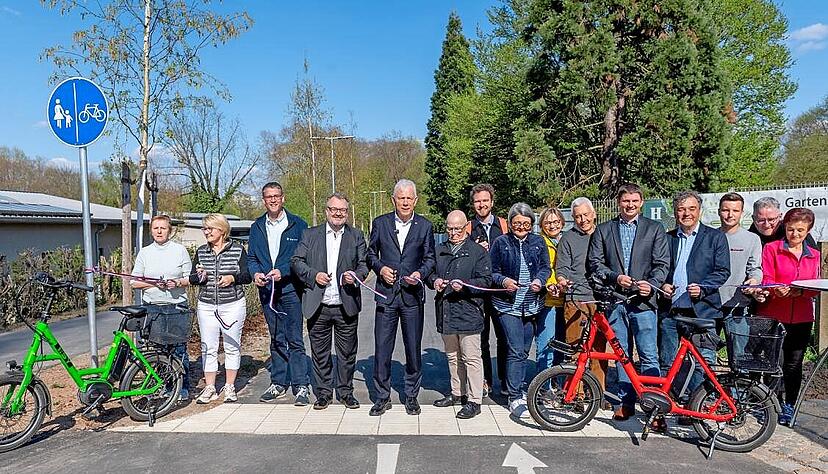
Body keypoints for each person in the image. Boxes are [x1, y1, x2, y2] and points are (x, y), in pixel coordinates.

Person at [587, 184, 670, 421]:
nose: (630, 205)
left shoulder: (655, 229)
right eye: (626, 201)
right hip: (616, 300)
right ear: (618, 202)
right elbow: (595, 263)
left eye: (634, 201)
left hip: (644, 302)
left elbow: (662, 263)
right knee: (622, 355)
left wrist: (651, 284)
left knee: (648, 354)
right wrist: (615, 277)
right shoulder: (604, 230)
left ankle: (654, 408)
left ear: (641, 202)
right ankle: (626, 401)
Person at [658, 191, 730, 429]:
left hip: (702, 312)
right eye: (681, 209)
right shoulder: (667, 238)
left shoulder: (715, 237)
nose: (686, 214)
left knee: (702, 362)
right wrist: (663, 284)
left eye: (691, 209)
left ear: (699, 210)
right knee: (668, 361)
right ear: (675, 212)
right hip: (671, 311)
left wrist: (704, 288)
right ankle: (667, 406)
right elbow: (658, 267)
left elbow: (722, 271)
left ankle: (694, 409)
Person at [290, 193, 368, 410]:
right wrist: (313, 275)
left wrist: (355, 276)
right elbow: (296, 261)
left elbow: (364, 264)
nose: (338, 213)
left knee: (347, 354)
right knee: (320, 353)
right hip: (319, 305)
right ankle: (323, 393)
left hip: (346, 304)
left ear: (347, 213)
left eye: (342, 210)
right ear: (326, 211)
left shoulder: (356, 235)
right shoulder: (310, 235)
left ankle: (345, 392)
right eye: (334, 209)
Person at [367, 179, 436, 416]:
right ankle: (382, 397)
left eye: (409, 198)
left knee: (413, 349)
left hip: (412, 297)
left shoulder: (425, 226)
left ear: (415, 200)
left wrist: (420, 274)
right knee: (382, 348)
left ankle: (412, 396)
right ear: (393, 200)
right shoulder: (380, 223)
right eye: (401, 198)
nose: (405, 202)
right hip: (385, 296)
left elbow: (430, 258)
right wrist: (380, 269)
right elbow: (370, 254)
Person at [248, 182, 311, 406]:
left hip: (291, 289)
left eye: (276, 196)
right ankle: (278, 383)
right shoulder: (256, 227)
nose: (273, 200)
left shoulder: (298, 224)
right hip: (267, 291)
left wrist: (283, 271)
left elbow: (302, 258)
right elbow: (252, 258)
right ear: (264, 200)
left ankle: (301, 385)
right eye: (269, 197)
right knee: (276, 338)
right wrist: (255, 274)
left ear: (283, 198)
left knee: (295, 338)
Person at [756, 208, 821, 426]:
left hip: (802, 317)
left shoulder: (814, 255)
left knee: (794, 364)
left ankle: (790, 404)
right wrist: (776, 289)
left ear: (808, 230)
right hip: (774, 315)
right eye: (791, 229)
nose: (795, 234)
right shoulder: (772, 248)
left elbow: (816, 286)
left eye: (800, 230)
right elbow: (766, 277)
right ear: (785, 227)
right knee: (774, 363)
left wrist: (801, 292)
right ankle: (770, 404)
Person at [428, 210, 492, 419]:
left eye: (457, 229)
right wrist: (434, 281)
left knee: (471, 357)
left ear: (466, 228)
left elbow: (486, 280)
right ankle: (457, 393)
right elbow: (430, 273)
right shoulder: (439, 249)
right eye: (449, 229)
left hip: (469, 310)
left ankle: (474, 400)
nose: (453, 233)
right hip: (446, 310)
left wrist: (465, 285)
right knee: (452, 356)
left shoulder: (477, 251)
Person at [490, 202, 551, 419]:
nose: (521, 228)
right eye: (517, 223)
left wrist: (539, 281)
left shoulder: (538, 241)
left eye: (526, 224)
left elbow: (545, 268)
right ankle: (514, 396)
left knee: (524, 351)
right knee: (515, 349)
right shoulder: (501, 242)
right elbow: (492, 271)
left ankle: (516, 386)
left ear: (532, 224)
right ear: (510, 223)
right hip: (508, 305)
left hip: (532, 305)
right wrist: (504, 281)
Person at [189, 213, 252, 404]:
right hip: (207, 305)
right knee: (208, 347)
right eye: (204, 228)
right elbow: (192, 278)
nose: (206, 232)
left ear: (222, 230)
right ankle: (210, 387)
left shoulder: (238, 250)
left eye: (210, 228)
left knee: (232, 345)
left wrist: (232, 278)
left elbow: (247, 276)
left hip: (232, 304)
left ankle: (230, 386)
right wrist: (200, 276)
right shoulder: (201, 251)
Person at [131, 214, 193, 400]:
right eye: (156, 228)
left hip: (176, 307)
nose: (159, 231)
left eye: (163, 228)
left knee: (178, 349)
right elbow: (134, 281)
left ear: (169, 231)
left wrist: (177, 282)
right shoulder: (144, 253)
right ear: (151, 230)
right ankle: (164, 386)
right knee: (158, 349)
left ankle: (182, 387)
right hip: (153, 307)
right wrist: (154, 284)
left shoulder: (180, 250)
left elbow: (190, 278)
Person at [556, 198, 608, 394]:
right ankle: (575, 394)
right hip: (576, 299)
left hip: (600, 299)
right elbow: (562, 268)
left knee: (598, 350)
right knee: (575, 349)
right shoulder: (568, 239)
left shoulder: (604, 234)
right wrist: (562, 280)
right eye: (578, 216)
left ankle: (597, 393)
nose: (583, 219)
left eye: (586, 215)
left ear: (594, 214)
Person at [464, 183, 509, 397]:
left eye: (485, 200)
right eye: (477, 201)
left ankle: (506, 381)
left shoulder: (504, 224)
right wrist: (475, 250)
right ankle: (484, 381)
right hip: (478, 293)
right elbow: (461, 257)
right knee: (480, 340)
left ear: (492, 201)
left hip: (501, 291)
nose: (481, 204)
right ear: (473, 204)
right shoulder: (468, 227)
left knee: (504, 337)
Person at [535, 207, 565, 375]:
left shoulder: (566, 240)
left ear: (562, 222)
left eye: (555, 221)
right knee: (546, 345)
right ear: (541, 225)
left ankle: (557, 380)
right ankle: (544, 384)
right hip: (548, 300)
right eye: (547, 223)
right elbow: (542, 269)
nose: (552, 226)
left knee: (563, 345)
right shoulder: (539, 243)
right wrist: (551, 284)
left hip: (566, 300)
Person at [748, 197, 817, 249]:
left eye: (771, 220)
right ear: (753, 218)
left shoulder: (793, 231)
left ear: (780, 216)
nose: (767, 225)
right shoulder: (748, 237)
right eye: (761, 220)